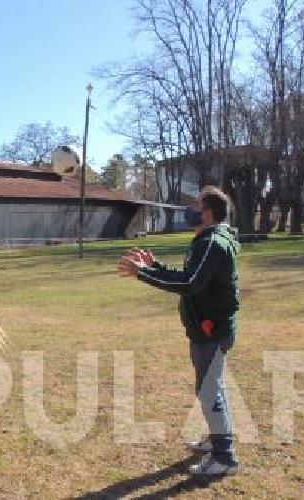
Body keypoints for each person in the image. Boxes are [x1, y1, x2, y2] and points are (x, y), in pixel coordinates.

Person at [116, 186, 242, 476]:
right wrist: (155, 266)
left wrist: (142, 274)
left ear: (208, 212)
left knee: (210, 391)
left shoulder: (213, 242)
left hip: (212, 330)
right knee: (211, 388)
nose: (192, 209)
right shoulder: (209, 240)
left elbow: (189, 285)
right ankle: (217, 440)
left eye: (197, 205)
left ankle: (225, 457)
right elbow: (189, 276)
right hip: (207, 329)